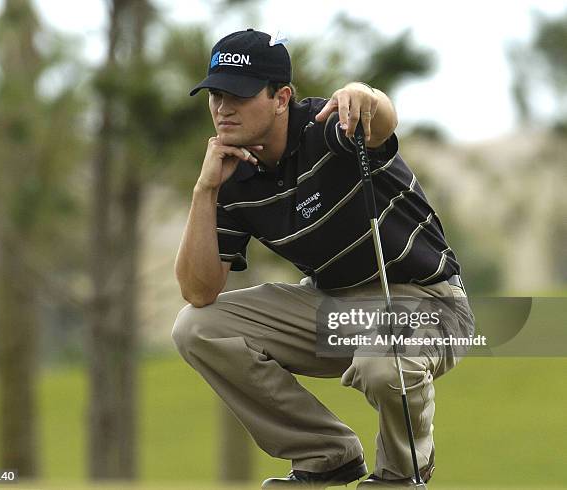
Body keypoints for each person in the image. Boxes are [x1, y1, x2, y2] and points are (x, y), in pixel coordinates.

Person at [172, 28, 475, 488]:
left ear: (281, 98)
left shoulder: (327, 126)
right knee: (197, 328)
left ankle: (401, 473)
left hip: (430, 304)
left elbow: (381, 124)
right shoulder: (231, 173)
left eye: (238, 94)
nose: (222, 107)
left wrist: (365, 95)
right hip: (337, 307)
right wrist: (206, 188)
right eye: (215, 93)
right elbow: (199, 291)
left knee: (381, 359)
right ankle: (326, 454)